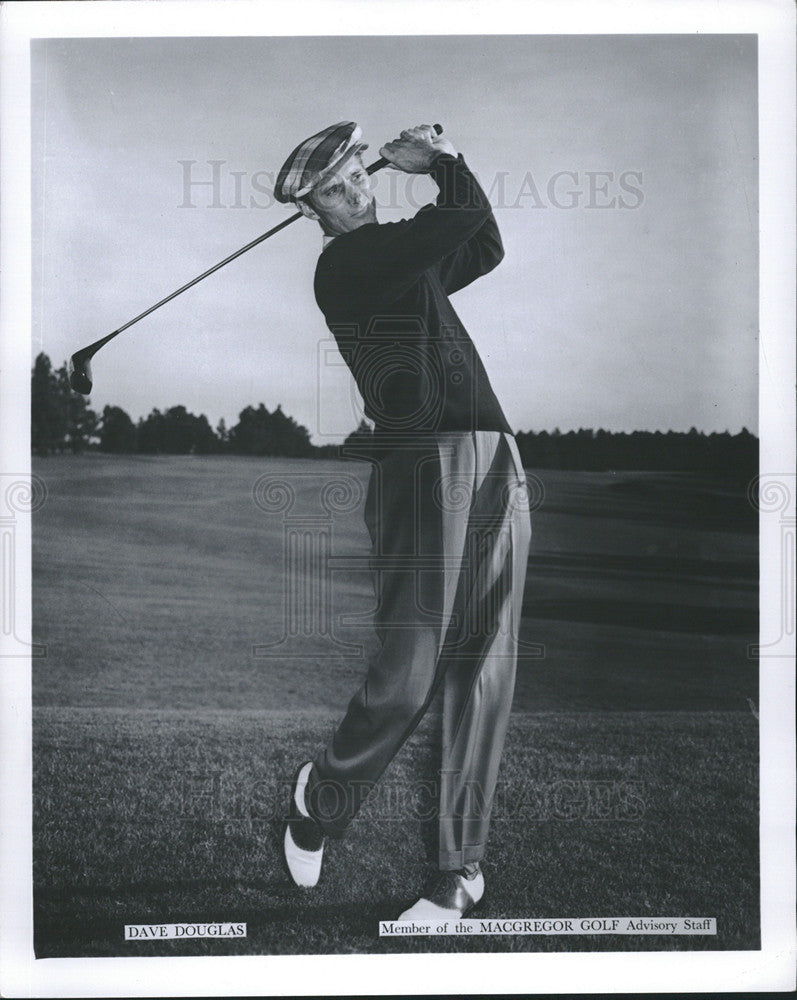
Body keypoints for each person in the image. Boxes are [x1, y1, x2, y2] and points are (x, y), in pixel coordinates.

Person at [273, 121, 531, 919]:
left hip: (494, 454)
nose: (355, 186)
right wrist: (443, 164)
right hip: (421, 464)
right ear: (312, 210)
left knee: (483, 666)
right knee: (411, 671)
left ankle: (457, 871)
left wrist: (454, 172)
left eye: (356, 172)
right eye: (335, 186)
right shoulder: (348, 264)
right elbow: (455, 217)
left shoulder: (400, 259)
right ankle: (322, 802)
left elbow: (482, 242)